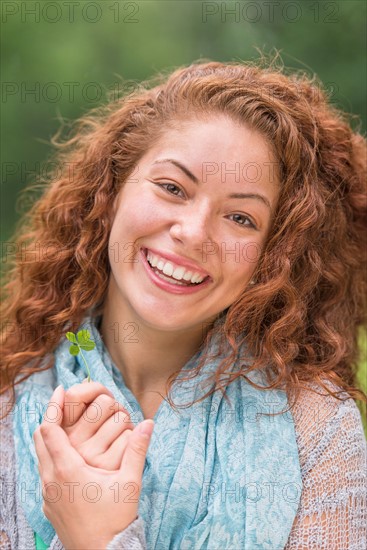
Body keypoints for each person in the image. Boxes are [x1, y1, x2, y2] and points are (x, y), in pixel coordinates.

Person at [1, 59, 366, 550]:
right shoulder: (9, 406)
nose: (193, 234)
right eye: (172, 188)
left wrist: (97, 538)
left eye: (240, 217)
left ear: (271, 255)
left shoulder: (317, 430)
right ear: (109, 192)